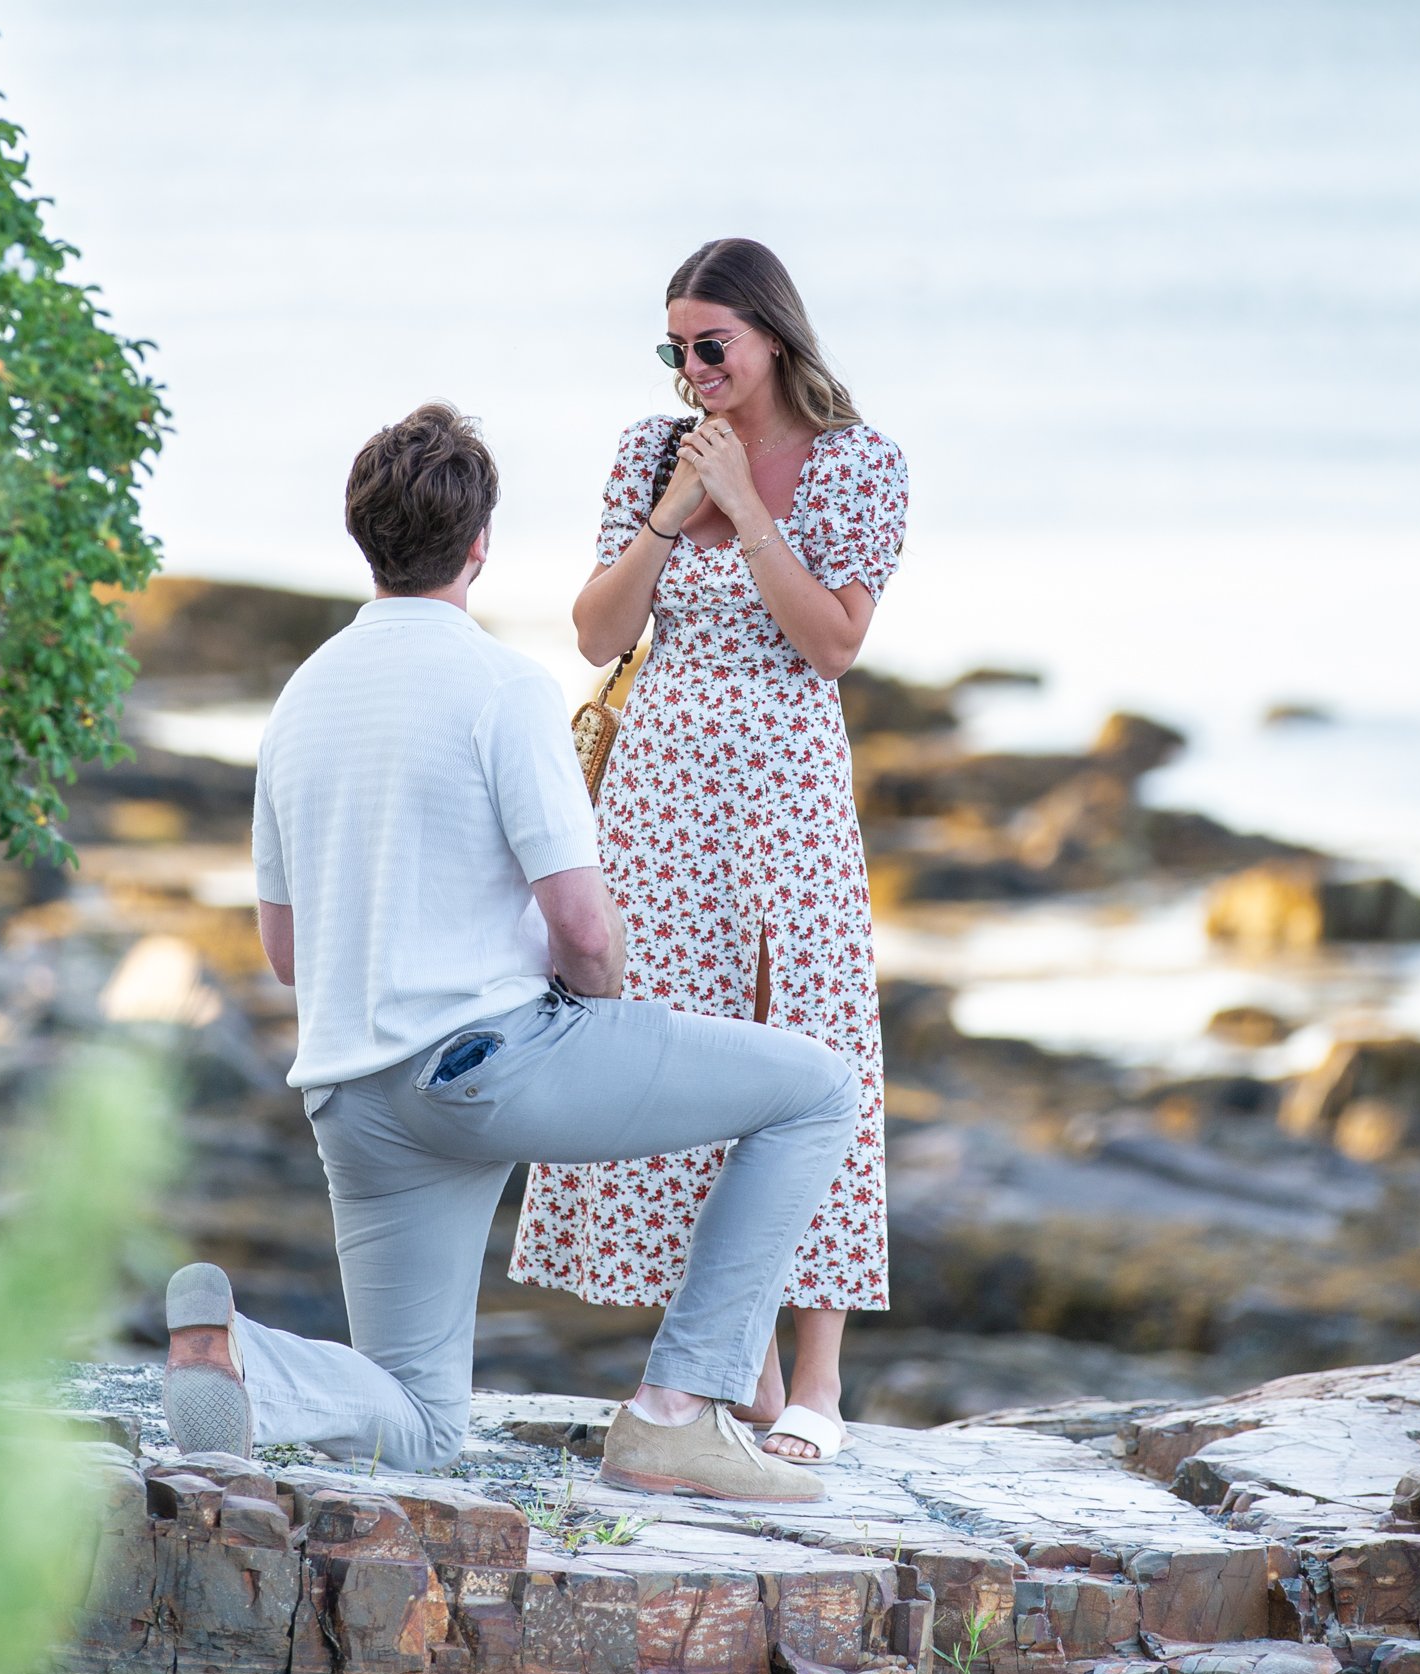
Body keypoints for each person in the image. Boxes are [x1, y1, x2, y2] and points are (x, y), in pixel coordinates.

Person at [161, 400, 858, 1503]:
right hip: (488, 1069)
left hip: (353, 1102)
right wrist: (603, 1005)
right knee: (818, 1088)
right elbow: (582, 930)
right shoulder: (503, 688)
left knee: (427, 1427)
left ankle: (250, 1361)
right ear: (479, 544)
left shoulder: (298, 702)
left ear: (363, 540)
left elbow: (285, 951)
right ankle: (677, 1410)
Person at [511, 240, 907, 1466]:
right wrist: (675, 514)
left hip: (784, 799)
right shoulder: (649, 453)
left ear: (771, 339)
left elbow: (831, 644)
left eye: (712, 347)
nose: (693, 370)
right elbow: (593, 633)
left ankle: (821, 1386)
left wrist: (746, 510)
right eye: (676, 349)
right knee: (685, 1063)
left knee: (815, 1042)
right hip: (659, 804)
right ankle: (735, 1372)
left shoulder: (859, 466)